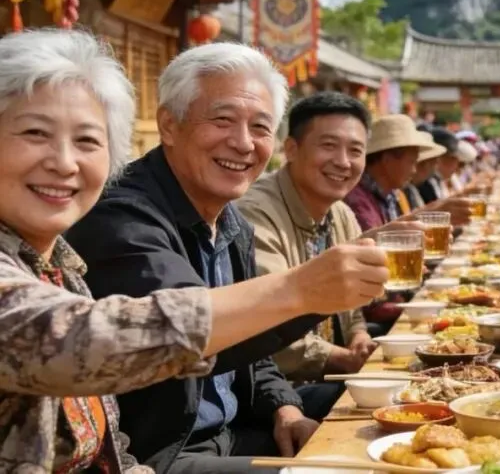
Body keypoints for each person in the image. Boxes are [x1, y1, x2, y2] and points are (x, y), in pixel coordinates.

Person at [4, 31, 386, 472]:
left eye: (87, 141)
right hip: (174, 449)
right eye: (35, 133)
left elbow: (113, 449)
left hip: (226, 431)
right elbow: (89, 337)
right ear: (168, 125)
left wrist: (284, 405)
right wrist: (300, 291)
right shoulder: (120, 216)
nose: (64, 162)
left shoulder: (61, 267)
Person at [237, 92, 386, 421]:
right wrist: (345, 359)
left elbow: (354, 308)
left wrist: (359, 336)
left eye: (355, 150)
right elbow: (266, 325)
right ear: (291, 149)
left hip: (321, 376)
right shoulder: (256, 213)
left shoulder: (341, 212)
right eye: (329, 146)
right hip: (273, 394)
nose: (343, 162)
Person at [344, 114, 441, 231]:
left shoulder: (395, 195)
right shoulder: (357, 199)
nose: (414, 170)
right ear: (387, 160)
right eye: (411, 162)